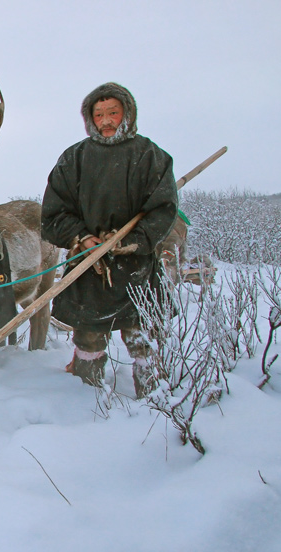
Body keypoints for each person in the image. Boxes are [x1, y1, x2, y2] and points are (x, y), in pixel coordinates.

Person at [40, 82, 178, 398]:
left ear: (127, 114)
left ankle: (155, 397)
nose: (105, 120)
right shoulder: (74, 159)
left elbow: (163, 209)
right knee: (88, 337)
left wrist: (135, 240)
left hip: (136, 267)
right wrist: (82, 238)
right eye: (99, 113)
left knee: (142, 335)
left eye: (113, 112)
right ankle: (87, 397)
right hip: (89, 267)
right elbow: (54, 214)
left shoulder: (150, 156)